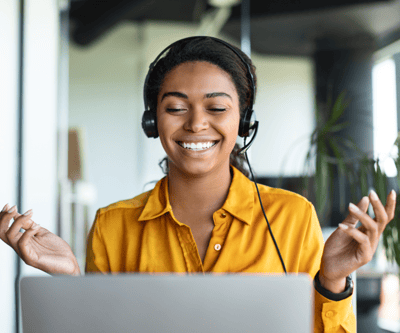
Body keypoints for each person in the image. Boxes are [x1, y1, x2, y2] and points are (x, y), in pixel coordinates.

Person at [0, 36, 396, 333]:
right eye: (175, 108)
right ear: (152, 122)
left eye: (217, 107)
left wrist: (332, 281)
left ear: (243, 122)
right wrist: (71, 282)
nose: (195, 123)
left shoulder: (292, 217)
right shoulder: (112, 225)